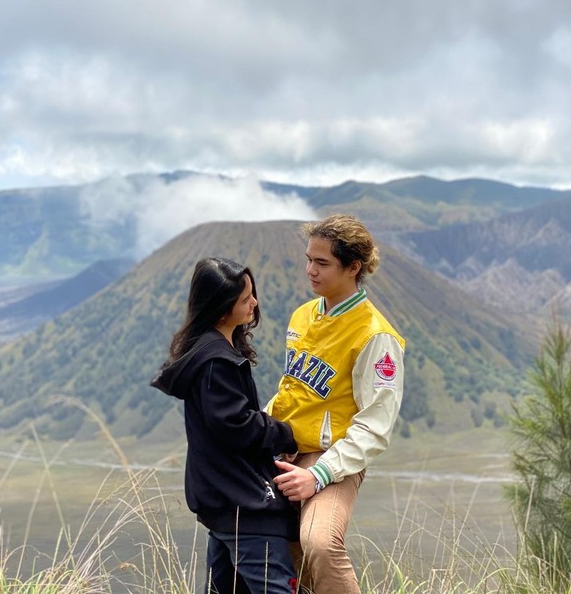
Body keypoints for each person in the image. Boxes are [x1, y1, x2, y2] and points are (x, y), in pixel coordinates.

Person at [269, 215, 405, 593]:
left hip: (330, 459)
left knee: (320, 544)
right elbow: (291, 388)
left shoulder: (376, 337)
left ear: (353, 267)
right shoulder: (302, 315)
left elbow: (375, 427)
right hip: (284, 450)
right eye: (309, 259)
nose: (310, 270)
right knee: (279, 547)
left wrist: (317, 475)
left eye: (322, 262)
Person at [150, 257, 299, 594]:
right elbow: (237, 425)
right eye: (245, 299)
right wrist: (286, 434)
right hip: (243, 505)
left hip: (222, 503)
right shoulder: (217, 361)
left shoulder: (206, 352)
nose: (254, 303)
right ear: (221, 309)